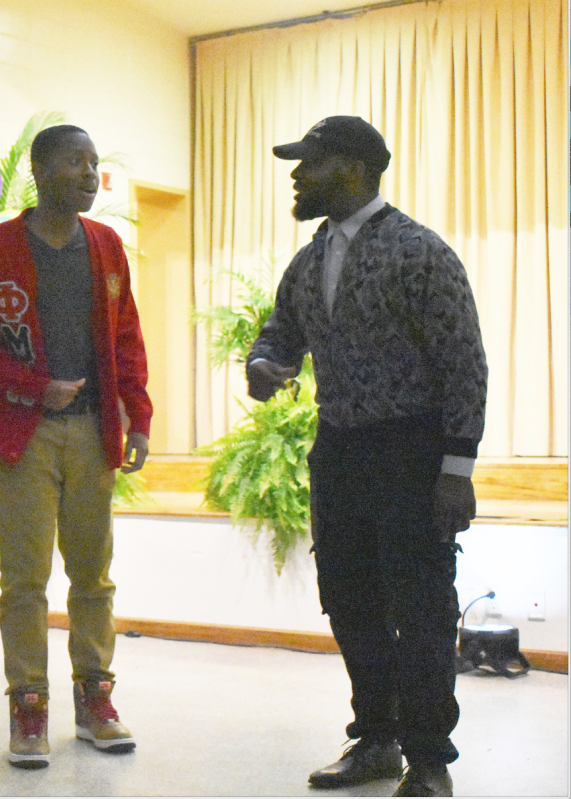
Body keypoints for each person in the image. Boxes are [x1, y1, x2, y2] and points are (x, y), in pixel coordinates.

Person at [247, 116, 487, 797]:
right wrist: (266, 362)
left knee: (421, 607)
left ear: (352, 168)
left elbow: (464, 363)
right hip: (340, 453)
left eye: (310, 162)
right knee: (349, 599)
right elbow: (280, 334)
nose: (296, 175)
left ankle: (430, 760)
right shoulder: (309, 258)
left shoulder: (419, 252)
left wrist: (457, 469)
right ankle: (376, 740)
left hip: (411, 451)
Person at [0, 125, 152, 769]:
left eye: (96, 163)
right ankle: (28, 707)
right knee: (25, 580)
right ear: (42, 170)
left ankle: (96, 702)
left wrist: (139, 414)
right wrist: (36, 387)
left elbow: (127, 338)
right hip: (25, 433)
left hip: (95, 433)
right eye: (79, 162)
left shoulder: (107, 246)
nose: (93, 174)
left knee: (93, 576)